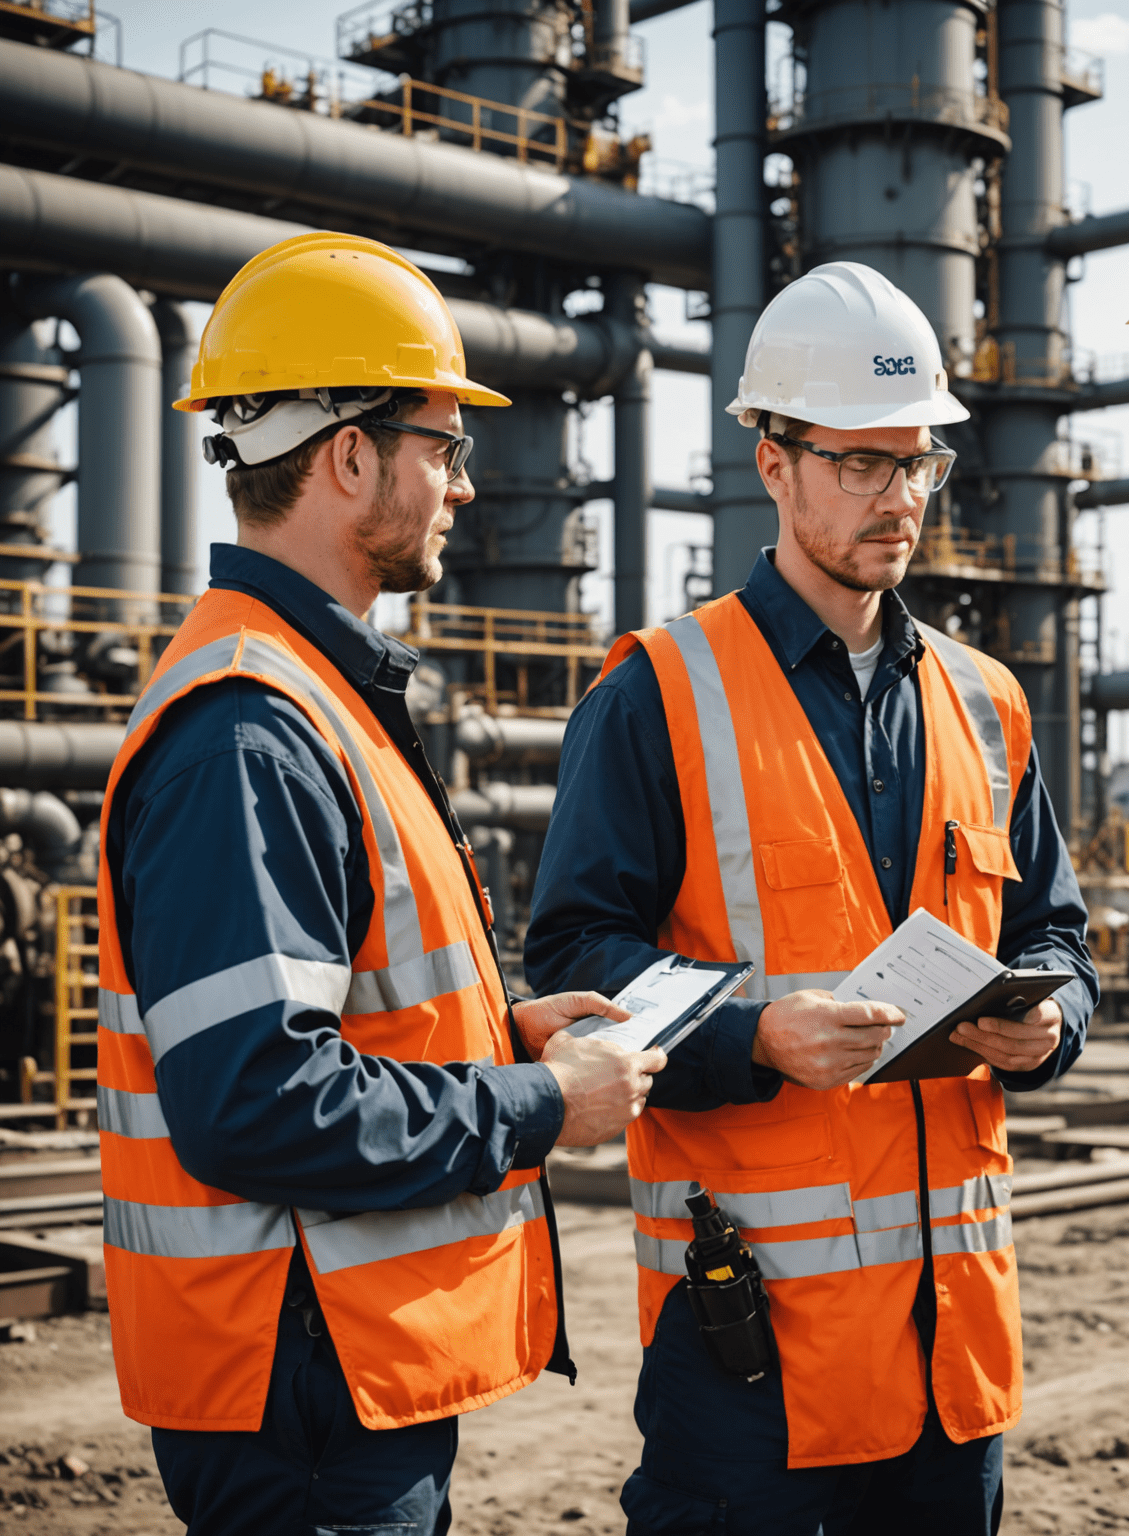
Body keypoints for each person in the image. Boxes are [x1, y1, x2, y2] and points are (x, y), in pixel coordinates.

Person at [94, 232, 665, 1535]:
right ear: (350, 454)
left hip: (330, 1369)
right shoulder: (251, 728)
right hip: (300, 1389)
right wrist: (538, 1102)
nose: (464, 487)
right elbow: (253, 1101)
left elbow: (331, 1013)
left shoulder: (305, 698)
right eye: (444, 446)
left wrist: (503, 1034)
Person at [525, 260, 1099, 1535]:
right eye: (861, 463)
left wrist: (1055, 1021)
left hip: (951, 1353)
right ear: (771, 460)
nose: (899, 500)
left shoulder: (987, 702)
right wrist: (751, 1036)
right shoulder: (657, 695)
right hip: (752, 1347)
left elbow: (1056, 930)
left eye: (920, 464)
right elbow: (577, 954)